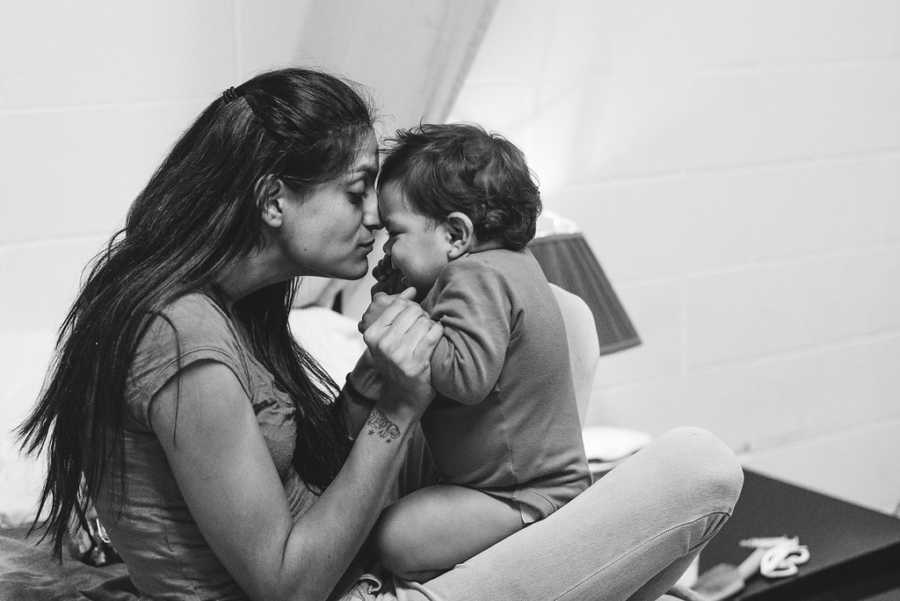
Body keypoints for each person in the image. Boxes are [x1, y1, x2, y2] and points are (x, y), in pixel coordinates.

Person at [18, 67, 743, 601]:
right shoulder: (179, 335)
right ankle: (544, 519)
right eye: (357, 189)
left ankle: (537, 512)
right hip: (333, 590)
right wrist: (398, 403)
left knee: (566, 317)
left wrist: (380, 371)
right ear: (274, 200)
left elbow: (320, 463)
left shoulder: (231, 308)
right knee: (697, 467)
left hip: (357, 559)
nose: (373, 219)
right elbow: (285, 581)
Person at [347, 124, 590, 581]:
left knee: (396, 535)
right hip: (517, 486)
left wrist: (397, 321)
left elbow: (467, 376)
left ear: (456, 235)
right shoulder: (513, 266)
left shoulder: (474, 276)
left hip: (523, 495)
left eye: (395, 234)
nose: (388, 250)